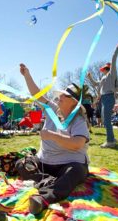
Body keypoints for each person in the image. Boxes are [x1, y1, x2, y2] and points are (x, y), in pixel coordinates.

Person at [15, 64, 90, 215]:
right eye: (61, 94)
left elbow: (77, 144)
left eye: (65, 96)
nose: (60, 96)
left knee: (75, 171)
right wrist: (27, 75)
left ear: (75, 102)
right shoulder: (52, 109)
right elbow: (37, 94)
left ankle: (44, 198)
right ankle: (49, 180)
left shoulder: (78, 121)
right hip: (45, 162)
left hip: (69, 164)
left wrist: (52, 135)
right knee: (21, 164)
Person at [87, 41, 118, 147]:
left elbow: (113, 59)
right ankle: (112, 138)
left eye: (104, 69)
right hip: (103, 98)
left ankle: (110, 141)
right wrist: (90, 77)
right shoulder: (103, 78)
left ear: (107, 69)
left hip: (108, 97)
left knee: (106, 120)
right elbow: (95, 84)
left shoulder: (112, 74)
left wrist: (117, 47)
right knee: (105, 119)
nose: (102, 70)